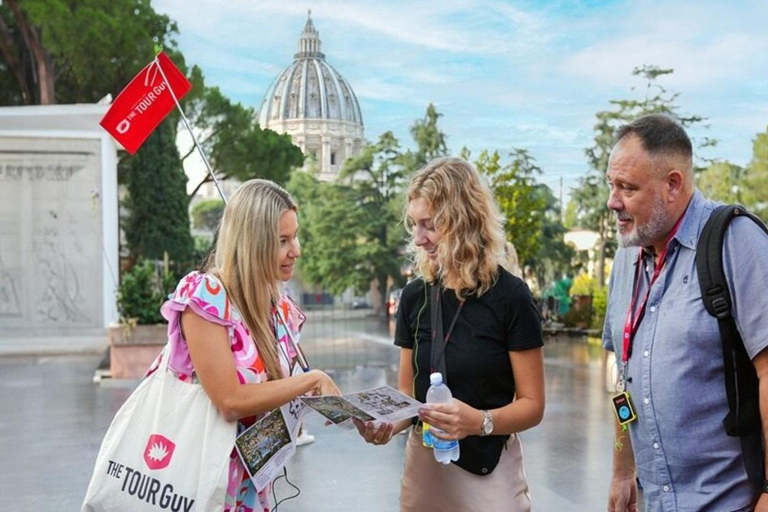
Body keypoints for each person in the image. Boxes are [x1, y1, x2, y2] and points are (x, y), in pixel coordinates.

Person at [354, 157, 545, 511]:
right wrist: (386, 425)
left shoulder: (511, 297)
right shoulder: (415, 296)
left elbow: (533, 406)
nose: (418, 238)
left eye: (429, 225)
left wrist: (479, 422)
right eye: (414, 224)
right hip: (426, 472)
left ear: (463, 220)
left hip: (490, 470)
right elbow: (407, 397)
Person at [602, 114, 768, 511]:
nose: (613, 201)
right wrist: (623, 471)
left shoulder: (737, 242)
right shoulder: (626, 260)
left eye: (627, 187)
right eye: (612, 185)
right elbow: (621, 378)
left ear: (673, 184)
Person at [145, 179, 341, 511]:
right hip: (199, 482)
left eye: (295, 236)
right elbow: (229, 400)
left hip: (250, 483)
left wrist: (343, 408)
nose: (296, 250)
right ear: (252, 242)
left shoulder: (277, 306)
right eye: (282, 240)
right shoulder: (206, 297)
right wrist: (311, 379)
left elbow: (276, 392)